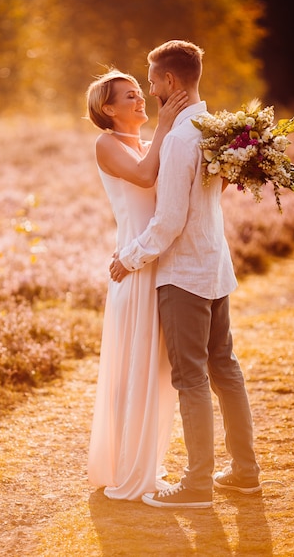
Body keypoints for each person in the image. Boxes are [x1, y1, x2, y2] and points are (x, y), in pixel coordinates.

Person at [110, 40, 261, 508]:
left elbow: (170, 220)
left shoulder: (179, 138)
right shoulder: (213, 130)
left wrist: (129, 257)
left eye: (152, 81)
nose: (150, 89)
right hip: (215, 267)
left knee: (191, 378)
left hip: (184, 276)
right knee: (225, 370)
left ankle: (196, 485)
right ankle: (244, 472)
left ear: (170, 81)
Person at [86, 69, 188, 500]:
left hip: (155, 261)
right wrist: (166, 124)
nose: (140, 99)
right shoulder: (107, 144)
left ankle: (146, 464)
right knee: (135, 368)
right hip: (130, 267)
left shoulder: (147, 142)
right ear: (108, 109)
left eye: (138, 92)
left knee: (158, 370)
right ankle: (127, 471)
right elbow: (146, 178)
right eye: (129, 96)